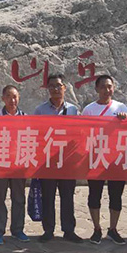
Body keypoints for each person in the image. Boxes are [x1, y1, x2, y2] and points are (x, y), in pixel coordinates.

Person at [34, 74, 83, 243]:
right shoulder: (40, 111)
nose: (55, 89)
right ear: (47, 89)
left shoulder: (74, 110)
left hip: (67, 162)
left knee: (67, 197)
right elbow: (35, 134)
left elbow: (80, 134)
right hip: (47, 161)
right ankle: (48, 230)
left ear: (65, 88)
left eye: (58, 85)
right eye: (52, 86)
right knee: (48, 197)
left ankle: (69, 230)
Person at [82, 75, 127, 245]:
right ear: (97, 89)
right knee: (94, 195)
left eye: (109, 86)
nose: (106, 90)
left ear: (113, 88)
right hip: (96, 159)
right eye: (103, 87)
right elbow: (82, 133)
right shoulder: (89, 109)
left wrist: (124, 120)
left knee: (116, 195)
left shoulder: (121, 107)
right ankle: (96, 229)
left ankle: (113, 229)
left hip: (116, 158)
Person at [0, 85, 29, 245]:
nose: (12, 100)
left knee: (19, 198)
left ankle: (18, 229)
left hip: (19, 163)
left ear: (19, 98)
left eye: (14, 96)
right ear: (2, 98)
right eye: (8, 96)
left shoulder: (25, 117)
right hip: (1, 163)